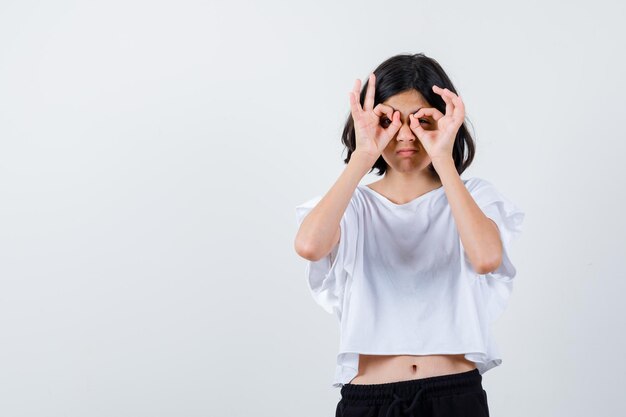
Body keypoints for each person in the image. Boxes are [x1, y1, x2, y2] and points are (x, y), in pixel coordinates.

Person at [294, 53, 525, 417]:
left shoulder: (473, 196)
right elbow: (309, 246)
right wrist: (363, 154)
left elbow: (486, 258)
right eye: (388, 120)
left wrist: (444, 157)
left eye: (420, 121)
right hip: (370, 399)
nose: (404, 134)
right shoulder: (353, 205)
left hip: (453, 395)